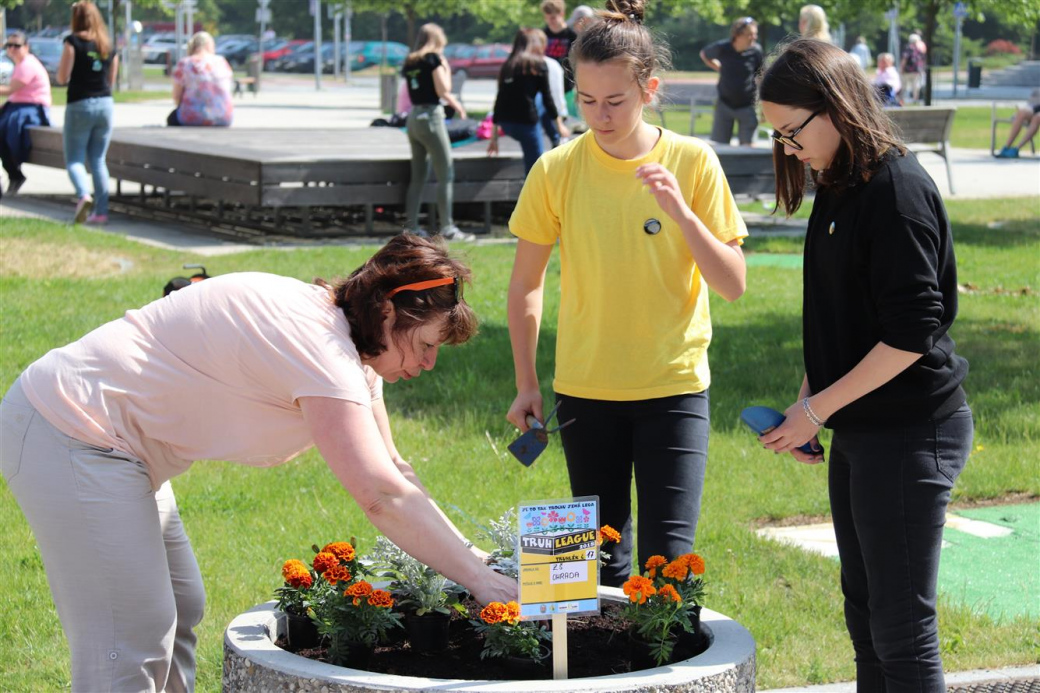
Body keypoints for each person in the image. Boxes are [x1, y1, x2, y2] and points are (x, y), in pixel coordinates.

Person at [0, 234, 518, 692]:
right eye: (426, 345)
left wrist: (476, 561)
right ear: (386, 311)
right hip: (68, 429)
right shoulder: (319, 346)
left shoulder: (355, 357)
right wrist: (479, 582)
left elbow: (397, 472)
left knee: (181, 609)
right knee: (130, 634)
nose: (428, 364)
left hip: (119, 448)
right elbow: (379, 495)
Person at [506, 0, 748, 587]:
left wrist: (683, 214)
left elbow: (732, 284)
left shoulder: (693, 161)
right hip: (585, 389)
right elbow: (525, 287)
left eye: (615, 101)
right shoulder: (556, 169)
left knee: (669, 570)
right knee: (590, 571)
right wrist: (526, 382)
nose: (600, 115)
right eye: (586, 101)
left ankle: (668, 678)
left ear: (650, 89)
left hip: (674, 387)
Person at [757, 38, 972, 691]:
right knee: (868, 620)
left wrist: (817, 408)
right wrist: (808, 406)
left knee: (902, 633)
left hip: (911, 430)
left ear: (835, 106)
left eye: (792, 132)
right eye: (778, 138)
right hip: (862, 430)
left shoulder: (897, 190)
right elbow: (836, 317)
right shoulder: (840, 183)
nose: (789, 149)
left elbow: (910, 333)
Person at [400, 23, 474, 241]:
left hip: (413, 119)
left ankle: (410, 227)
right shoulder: (433, 59)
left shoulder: (411, 61)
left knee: (418, 177)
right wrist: (445, 68)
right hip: (431, 118)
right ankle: (448, 227)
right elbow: (443, 90)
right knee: (446, 173)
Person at [56, 0, 119, 225]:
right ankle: (101, 212)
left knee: (74, 159)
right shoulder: (108, 46)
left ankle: (83, 194)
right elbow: (110, 81)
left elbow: (62, 78)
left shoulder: (72, 42)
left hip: (79, 104)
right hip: (105, 104)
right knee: (98, 160)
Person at [487, 28, 558, 174]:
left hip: (507, 124)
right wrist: (559, 124)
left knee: (535, 99)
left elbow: (499, 100)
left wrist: (494, 137)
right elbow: (547, 97)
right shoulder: (538, 64)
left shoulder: (508, 65)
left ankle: (556, 138)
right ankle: (556, 138)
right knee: (535, 169)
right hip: (526, 123)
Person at [0, 30, 52, 198]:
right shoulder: (21, 64)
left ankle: (15, 174)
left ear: (26, 47)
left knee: (5, 132)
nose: (12, 49)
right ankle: (14, 174)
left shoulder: (28, 64)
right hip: (19, 107)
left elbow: (10, 90)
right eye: (9, 45)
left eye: (17, 45)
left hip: (31, 110)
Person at [699, 17, 764, 147]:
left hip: (747, 105)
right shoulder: (723, 48)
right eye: (750, 34)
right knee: (719, 147)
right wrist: (719, 67)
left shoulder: (755, 51)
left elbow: (761, 76)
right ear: (737, 35)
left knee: (748, 149)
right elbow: (704, 54)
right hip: (725, 104)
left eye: (755, 34)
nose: (754, 37)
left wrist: (763, 103)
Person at [168, 31, 234, 127]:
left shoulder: (185, 63)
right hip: (224, 117)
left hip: (192, 118)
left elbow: (176, 96)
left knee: (171, 118)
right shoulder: (222, 61)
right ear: (209, 45)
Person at [529, 28, 571, 148]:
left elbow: (556, 93)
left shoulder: (551, 65)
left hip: (548, 112)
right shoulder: (523, 65)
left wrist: (561, 115)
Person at [542, 0, 579, 115]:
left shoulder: (572, 35)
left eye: (553, 17)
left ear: (562, 14)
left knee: (571, 119)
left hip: (568, 84)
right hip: (547, 83)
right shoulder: (542, 35)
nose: (550, 21)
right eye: (547, 17)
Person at [995, 88, 1040, 158]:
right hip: (1036, 106)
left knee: (1037, 118)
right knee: (1021, 113)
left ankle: (1016, 149)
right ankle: (1006, 147)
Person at [900, 33, 926, 104]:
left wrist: (901, 68)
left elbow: (904, 59)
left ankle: (902, 100)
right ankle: (915, 99)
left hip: (907, 70)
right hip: (916, 70)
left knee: (904, 86)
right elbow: (922, 60)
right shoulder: (919, 50)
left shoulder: (908, 48)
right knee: (915, 86)